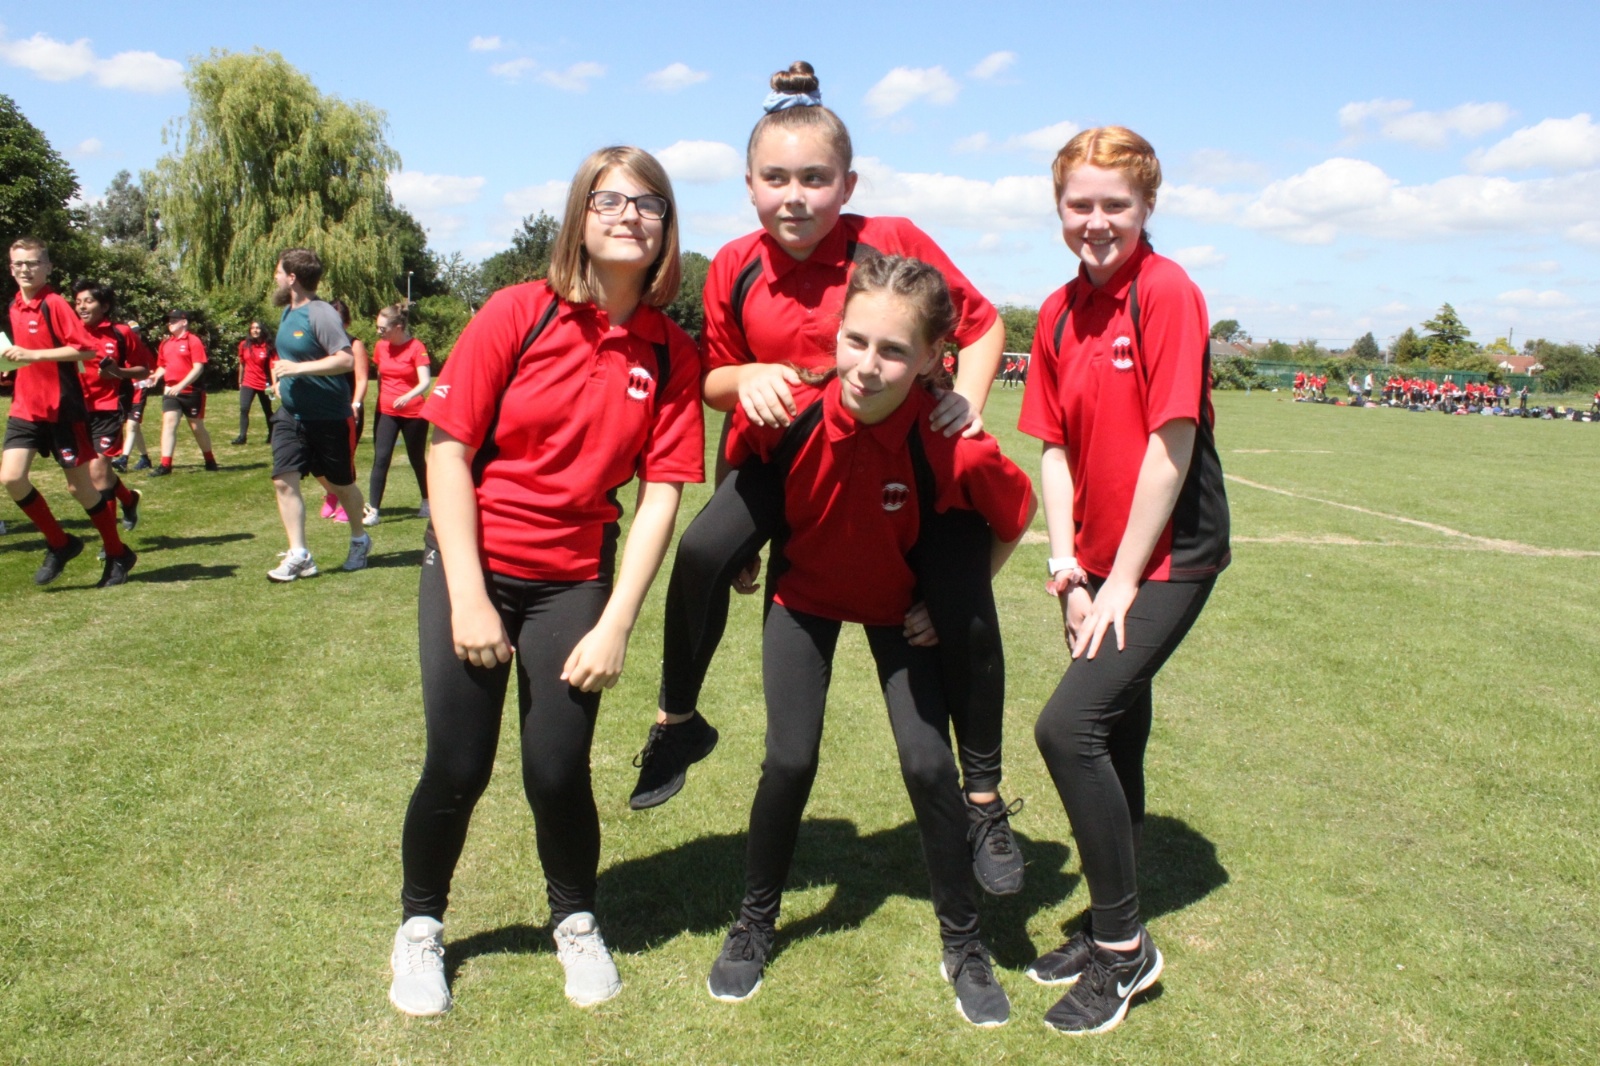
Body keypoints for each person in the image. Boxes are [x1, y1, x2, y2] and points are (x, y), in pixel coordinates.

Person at [628, 62, 1026, 897]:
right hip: (788, 457)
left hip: (900, 457)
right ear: (748, 185)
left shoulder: (893, 239)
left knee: (956, 601)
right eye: (776, 179)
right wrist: (750, 377)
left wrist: (968, 405)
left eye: (815, 178)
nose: (795, 197)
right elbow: (714, 381)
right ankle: (677, 718)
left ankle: (984, 798)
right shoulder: (734, 263)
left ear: (849, 184)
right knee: (701, 553)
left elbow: (984, 325)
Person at [388, 146, 703, 1017]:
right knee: (458, 766)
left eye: (649, 203)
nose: (629, 215)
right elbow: (447, 451)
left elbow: (661, 494)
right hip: (475, 563)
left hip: (575, 580)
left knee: (557, 770)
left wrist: (616, 624)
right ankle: (420, 927)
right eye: (609, 200)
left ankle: (576, 920)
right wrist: (469, 596)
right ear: (579, 216)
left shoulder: (670, 351)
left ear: (666, 226)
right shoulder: (516, 312)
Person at [703, 254, 1034, 1025]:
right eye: (856, 341)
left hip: (896, 611)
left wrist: (948, 605)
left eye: (893, 350)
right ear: (837, 334)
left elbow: (1014, 518)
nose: (867, 365)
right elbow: (740, 468)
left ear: (931, 359)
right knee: (789, 759)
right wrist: (740, 548)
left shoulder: (952, 440)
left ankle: (964, 943)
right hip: (803, 599)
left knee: (929, 764)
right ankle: (754, 923)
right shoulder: (792, 408)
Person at [1017, 127, 1231, 1036]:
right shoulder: (1058, 310)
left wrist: (1121, 584)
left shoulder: (1167, 290)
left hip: (1172, 555)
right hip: (1097, 561)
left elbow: (1170, 444)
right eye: (1080, 204)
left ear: (1147, 207)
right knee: (1114, 731)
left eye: (1116, 204)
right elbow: (1053, 449)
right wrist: (1070, 570)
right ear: (1059, 208)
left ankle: (1123, 949)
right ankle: (1112, 919)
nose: (1096, 220)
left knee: (1068, 728)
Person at [2, 237, 137, 586]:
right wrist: (9, 365)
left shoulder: (55, 303)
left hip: (62, 408)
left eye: (32, 263)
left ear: (47, 267)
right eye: (18, 263)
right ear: (11, 267)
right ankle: (60, 544)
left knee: (80, 488)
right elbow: (23, 353)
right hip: (25, 407)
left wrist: (35, 356)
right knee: (11, 478)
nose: (25, 269)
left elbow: (86, 350)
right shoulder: (15, 305)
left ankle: (118, 552)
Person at [264, 248, 372, 581]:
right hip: (291, 413)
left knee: (342, 485)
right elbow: (289, 359)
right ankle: (300, 555)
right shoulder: (287, 312)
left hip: (328, 417)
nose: (275, 277)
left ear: (292, 278)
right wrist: (281, 382)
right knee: (283, 479)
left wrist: (297, 369)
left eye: (279, 272)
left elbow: (345, 360)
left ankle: (359, 538)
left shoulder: (321, 313)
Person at [72, 280, 148, 534]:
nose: (82, 307)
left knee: (98, 469)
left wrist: (117, 372)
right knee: (90, 474)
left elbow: (143, 369)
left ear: (104, 306)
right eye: (78, 302)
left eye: (88, 301)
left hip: (109, 407)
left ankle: (110, 540)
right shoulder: (69, 332)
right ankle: (129, 499)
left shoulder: (121, 333)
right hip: (76, 409)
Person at [362, 304, 431, 526]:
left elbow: (425, 382)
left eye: (383, 329)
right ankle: (373, 510)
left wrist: (407, 396)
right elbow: (381, 376)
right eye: (378, 327)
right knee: (381, 458)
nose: (378, 332)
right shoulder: (381, 347)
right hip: (387, 411)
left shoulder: (416, 347)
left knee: (416, 458)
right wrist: (382, 402)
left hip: (414, 412)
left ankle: (427, 501)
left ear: (398, 327)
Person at [147, 309, 218, 476]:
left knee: (196, 427)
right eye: (169, 320)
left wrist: (181, 385)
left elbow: (198, 368)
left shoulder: (193, 341)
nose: (170, 323)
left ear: (184, 322)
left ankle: (209, 459)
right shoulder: (166, 343)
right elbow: (163, 366)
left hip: (191, 391)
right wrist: (156, 376)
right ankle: (165, 465)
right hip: (171, 391)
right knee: (169, 423)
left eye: (174, 320)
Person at [319, 299, 369, 523]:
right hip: (322, 408)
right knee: (318, 459)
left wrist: (355, 404)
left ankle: (347, 503)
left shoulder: (354, 344)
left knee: (344, 459)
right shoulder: (319, 344)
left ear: (347, 323)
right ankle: (332, 493)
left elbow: (362, 379)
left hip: (347, 408)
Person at [118, 323, 156, 471]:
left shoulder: (144, 351)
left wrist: (141, 384)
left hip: (139, 392)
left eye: (138, 332)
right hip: (126, 394)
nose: (137, 335)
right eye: (134, 333)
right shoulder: (121, 351)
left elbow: (152, 374)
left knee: (132, 425)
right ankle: (145, 458)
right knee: (134, 427)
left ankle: (124, 459)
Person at [233, 319, 277, 444]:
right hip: (248, 382)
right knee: (244, 409)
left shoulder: (269, 346)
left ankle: (272, 435)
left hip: (264, 384)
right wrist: (240, 381)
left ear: (262, 330)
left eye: (257, 328)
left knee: (267, 410)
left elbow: (273, 366)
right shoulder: (244, 345)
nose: (255, 330)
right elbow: (242, 363)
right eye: (253, 328)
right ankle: (242, 437)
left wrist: (274, 384)